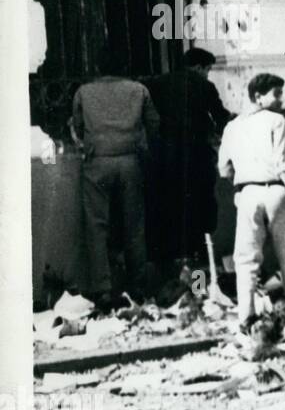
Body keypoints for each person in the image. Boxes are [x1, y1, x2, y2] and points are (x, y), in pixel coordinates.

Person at [217, 73, 285, 331]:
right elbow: (283, 164)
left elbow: (224, 169)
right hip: (277, 193)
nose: (281, 99)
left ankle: (245, 318)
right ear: (258, 96)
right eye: (276, 94)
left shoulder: (231, 127)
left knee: (245, 259)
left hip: (246, 195)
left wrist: (240, 187)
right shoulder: (277, 121)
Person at [69, 52, 161, 309]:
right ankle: (138, 287)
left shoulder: (83, 92)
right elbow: (153, 123)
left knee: (97, 226)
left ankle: (103, 290)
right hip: (130, 161)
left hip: (97, 162)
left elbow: (76, 126)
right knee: (134, 225)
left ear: (98, 68)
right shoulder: (139, 89)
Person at [147, 47, 232, 261]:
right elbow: (221, 119)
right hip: (197, 155)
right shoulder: (204, 85)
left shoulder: (158, 84)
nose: (207, 74)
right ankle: (197, 259)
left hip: (165, 155)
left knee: (170, 204)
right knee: (200, 205)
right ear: (198, 67)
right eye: (208, 69)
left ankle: (174, 260)